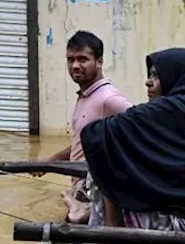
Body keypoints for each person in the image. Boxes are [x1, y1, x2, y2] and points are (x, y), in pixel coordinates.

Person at [80, 48, 185, 235]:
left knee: (106, 146)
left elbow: (93, 135)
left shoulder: (164, 109)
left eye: (156, 76)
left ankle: (110, 227)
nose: (148, 82)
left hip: (184, 229)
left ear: (174, 77)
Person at [37, 31, 131, 223]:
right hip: (81, 187)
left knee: (62, 243)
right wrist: (52, 161)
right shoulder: (86, 96)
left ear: (99, 61)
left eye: (83, 59)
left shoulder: (109, 99)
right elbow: (84, 143)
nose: (75, 66)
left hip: (96, 190)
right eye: (70, 60)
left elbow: (140, 130)